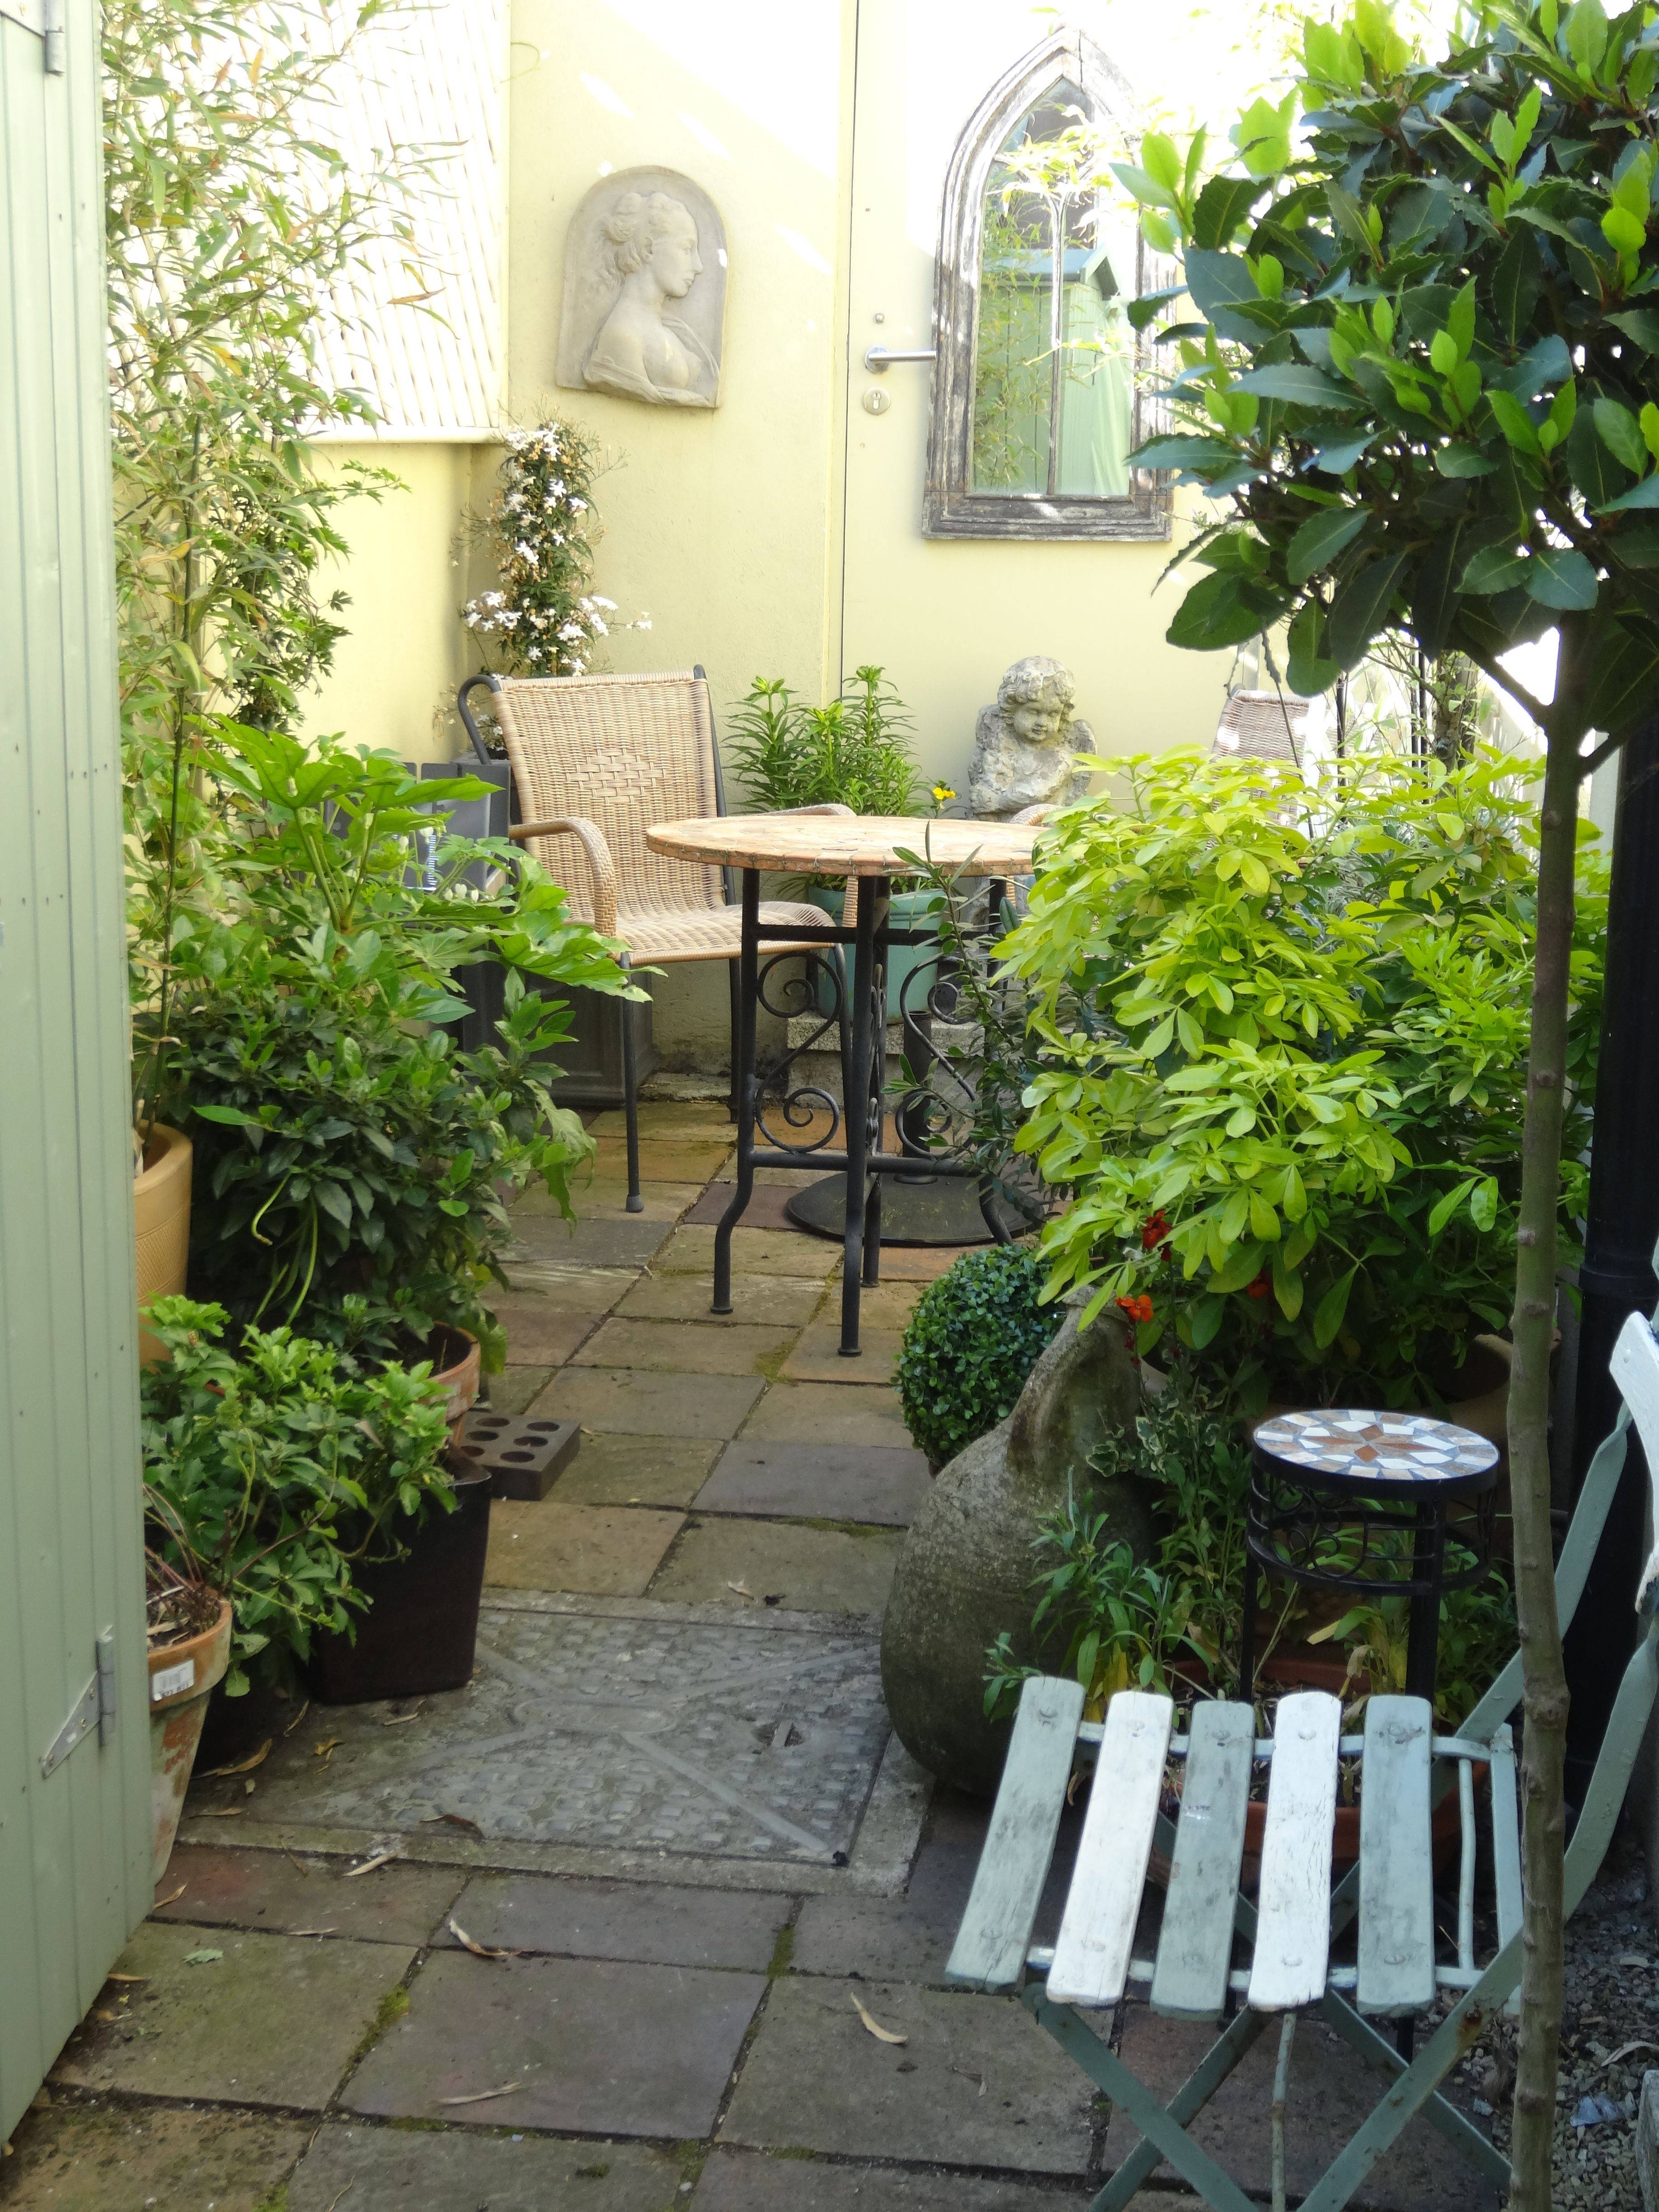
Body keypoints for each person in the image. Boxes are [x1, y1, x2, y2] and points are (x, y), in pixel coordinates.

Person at [584, 192, 719, 408]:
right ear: (649, 250)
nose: (698, 266)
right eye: (687, 249)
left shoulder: (669, 328)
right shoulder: (623, 335)